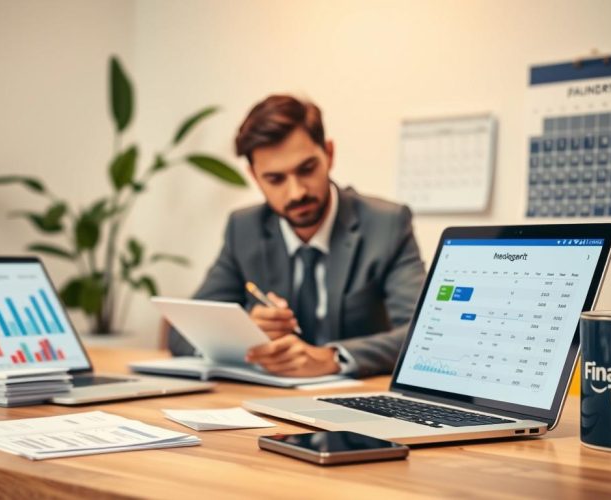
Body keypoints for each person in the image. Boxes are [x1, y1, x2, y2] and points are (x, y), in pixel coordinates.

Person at [168, 95, 425, 377]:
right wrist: (247, 334)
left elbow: (423, 334)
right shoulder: (244, 228)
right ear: (255, 176)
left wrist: (332, 358)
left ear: (329, 154)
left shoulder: (386, 224)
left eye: (307, 169)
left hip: (357, 398)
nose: (296, 192)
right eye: (275, 179)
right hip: (269, 400)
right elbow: (181, 334)